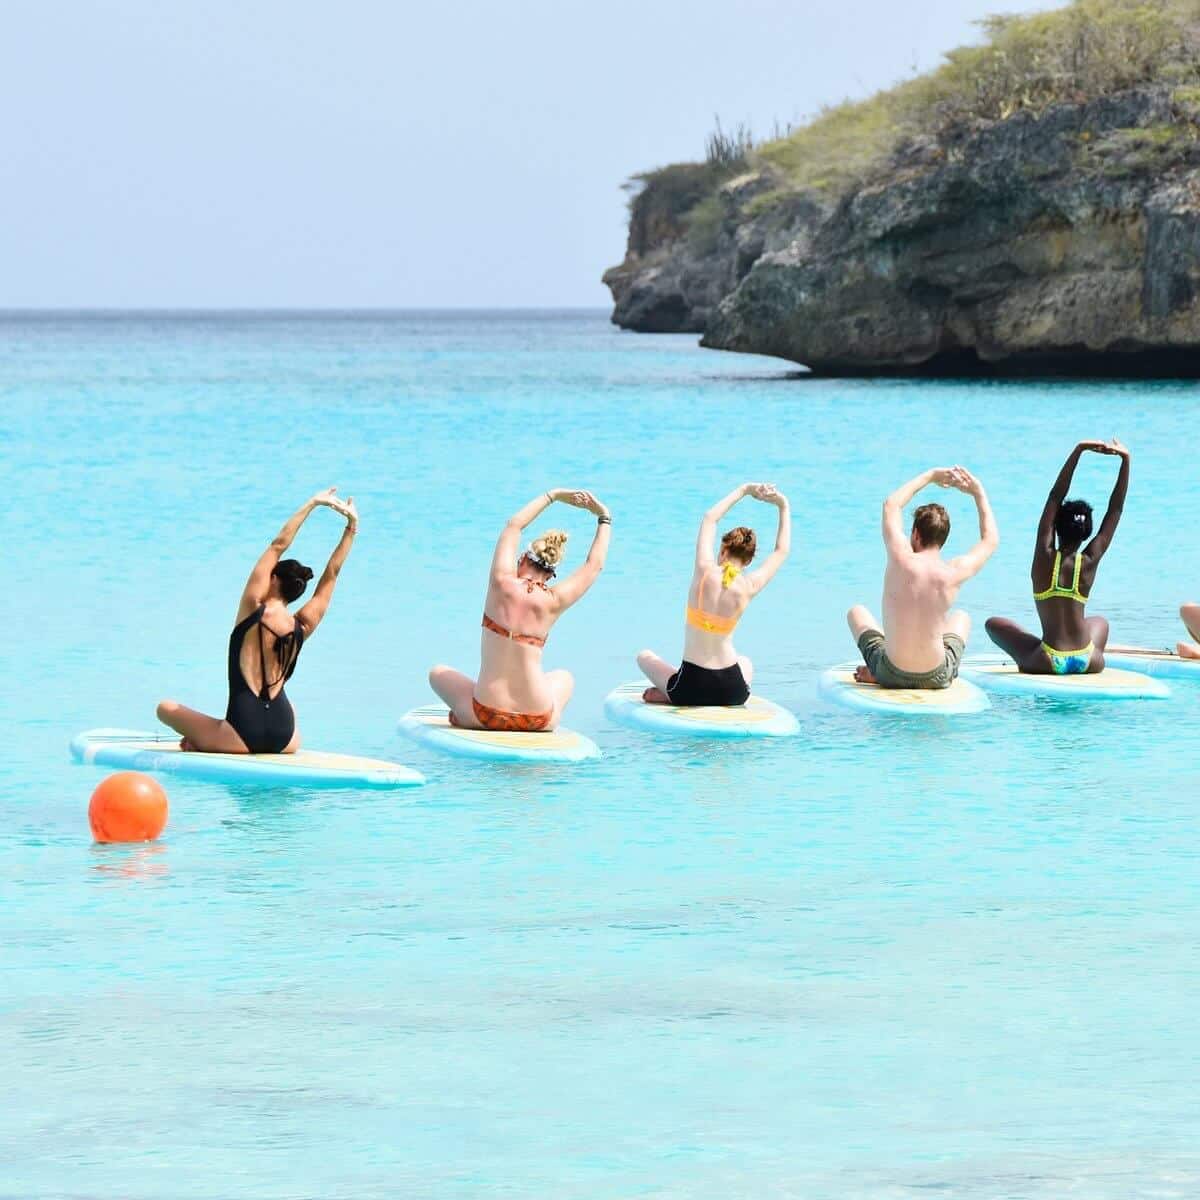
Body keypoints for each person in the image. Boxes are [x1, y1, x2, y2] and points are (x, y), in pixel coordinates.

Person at [156, 488, 358, 753]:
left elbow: (278, 545)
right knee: (289, 706)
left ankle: (208, 742)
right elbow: (332, 573)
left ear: (273, 579)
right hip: (285, 738)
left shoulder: (252, 608)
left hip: (240, 736)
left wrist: (312, 503)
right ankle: (208, 739)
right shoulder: (304, 624)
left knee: (165, 708)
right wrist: (351, 527)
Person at [428, 488, 611, 731]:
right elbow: (594, 565)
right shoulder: (555, 600)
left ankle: (466, 718)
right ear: (550, 574)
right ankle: (470, 716)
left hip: (486, 713)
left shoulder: (500, 582)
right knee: (564, 677)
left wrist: (553, 496)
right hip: (538, 718)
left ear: (523, 558)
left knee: (437, 673)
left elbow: (514, 525)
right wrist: (604, 516)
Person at [637, 483, 790, 706]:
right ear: (748, 561)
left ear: (722, 550)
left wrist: (745, 490)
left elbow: (710, 518)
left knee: (644, 656)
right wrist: (782, 505)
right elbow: (781, 550)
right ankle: (672, 694)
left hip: (690, 688)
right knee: (745, 661)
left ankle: (670, 694)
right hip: (733, 692)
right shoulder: (749, 585)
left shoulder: (703, 570)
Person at [985, 439, 1130, 674]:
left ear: (1056, 528)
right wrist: (1126, 460)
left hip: (1048, 661)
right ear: (1087, 533)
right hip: (1088, 660)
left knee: (992, 624)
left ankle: (1038, 646)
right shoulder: (1089, 561)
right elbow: (1116, 509)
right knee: (1100, 622)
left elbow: (1055, 496)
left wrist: (1078, 450)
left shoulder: (1044, 557)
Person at [847, 467, 998, 689]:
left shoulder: (900, 557)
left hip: (890, 672)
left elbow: (891, 505)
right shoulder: (953, 572)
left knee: (856, 612)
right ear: (943, 538)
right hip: (936, 676)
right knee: (961, 617)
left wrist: (930, 477)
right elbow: (990, 540)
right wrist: (978, 492)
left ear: (916, 534)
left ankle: (878, 672)